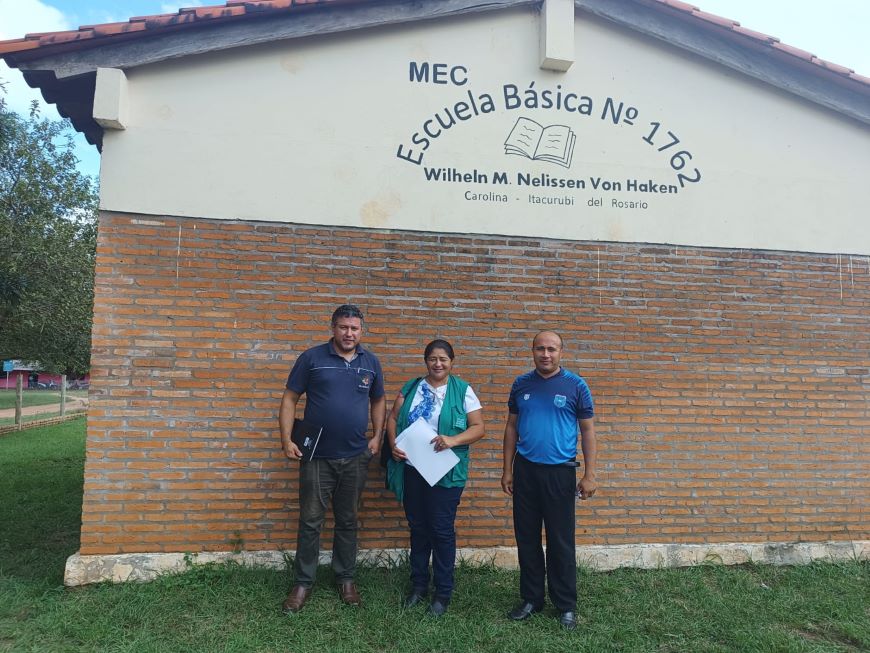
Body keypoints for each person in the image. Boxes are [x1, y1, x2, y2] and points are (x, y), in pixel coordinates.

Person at [278, 304, 387, 613]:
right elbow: (290, 398)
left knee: (348, 520)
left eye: (354, 328)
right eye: (343, 327)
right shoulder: (312, 358)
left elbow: (379, 400)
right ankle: (303, 583)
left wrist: (377, 437)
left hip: (355, 456)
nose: (349, 333)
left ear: (361, 331)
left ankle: (346, 579)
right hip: (316, 456)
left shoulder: (371, 362)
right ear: (333, 328)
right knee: (310, 520)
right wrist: (286, 439)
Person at [501, 331, 598, 631]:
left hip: (560, 473)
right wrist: (507, 470)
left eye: (552, 349)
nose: (546, 354)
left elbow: (587, 431)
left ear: (561, 352)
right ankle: (531, 599)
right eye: (540, 348)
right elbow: (511, 427)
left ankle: (565, 605)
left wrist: (590, 474)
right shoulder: (521, 384)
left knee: (560, 541)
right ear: (532, 351)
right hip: (526, 472)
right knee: (527, 538)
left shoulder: (576, 386)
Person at [385, 339, 485, 617]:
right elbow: (392, 418)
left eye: (443, 359)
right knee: (418, 527)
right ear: (426, 361)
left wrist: (453, 439)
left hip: (445, 473)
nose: (438, 364)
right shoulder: (411, 388)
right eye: (432, 359)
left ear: (452, 362)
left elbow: (479, 428)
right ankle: (418, 586)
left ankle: (442, 592)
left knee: (441, 530)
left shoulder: (463, 391)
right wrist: (393, 444)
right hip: (413, 469)